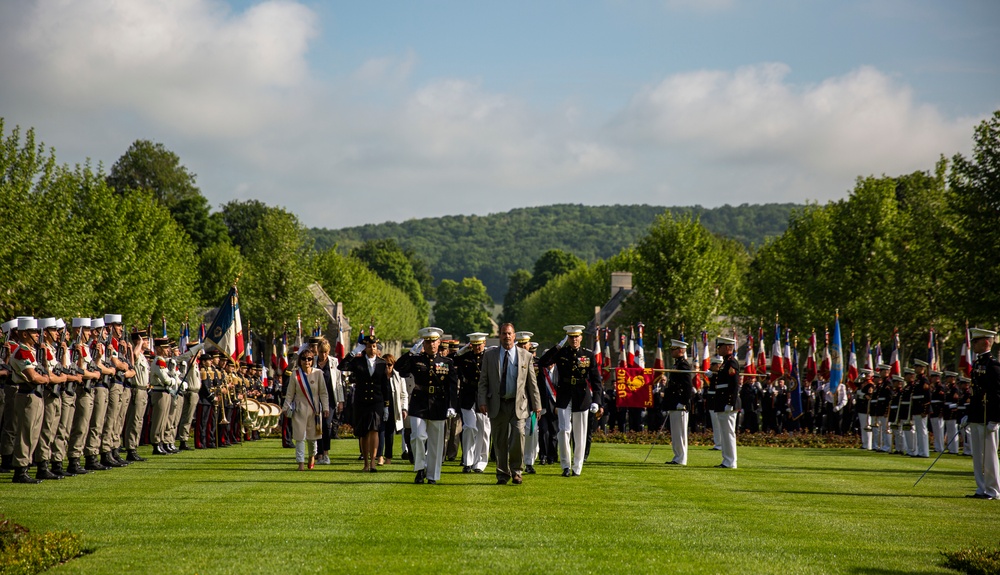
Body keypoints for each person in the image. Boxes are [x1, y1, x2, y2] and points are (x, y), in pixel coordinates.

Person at [477, 323, 540, 485]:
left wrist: (537, 404)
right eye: (504, 333)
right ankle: (502, 474)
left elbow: (532, 383)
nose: (507, 336)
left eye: (509, 333)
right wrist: (482, 400)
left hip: (518, 404)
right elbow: (483, 381)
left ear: (515, 336)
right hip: (497, 404)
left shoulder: (525, 356)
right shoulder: (490, 356)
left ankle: (517, 471)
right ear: (500, 336)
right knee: (500, 441)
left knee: (518, 436)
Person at [394, 327, 459, 485]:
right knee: (417, 436)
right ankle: (420, 468)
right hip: (419, 402)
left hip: (438, 403)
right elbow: (398, 368)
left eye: (434, 341)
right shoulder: (416, 360)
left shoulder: (447, 362)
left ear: (439, 342)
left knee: (436, 442)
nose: (431, 345)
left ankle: (432, 475)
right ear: (424, 343)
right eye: (428, 341)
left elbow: (452, 387)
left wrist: (452, 406)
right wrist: (410, 353)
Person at [537, 325, 603, 477]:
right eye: (571, 337)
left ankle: (577, 466)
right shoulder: (562, 352)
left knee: (580, 434)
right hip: (565, 394)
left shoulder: (588, 354)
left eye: (576, 337)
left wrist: (597, 400)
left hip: (582, 395)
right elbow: (543, 363)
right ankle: (566, 465)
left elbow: (596, 379)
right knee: (564, 430)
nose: (574, 340)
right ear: (568, 338)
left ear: (581, 338)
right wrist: (558, 346)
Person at [341, 335, 390, 472]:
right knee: (363, 433)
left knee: (374, 429)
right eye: (368, 346)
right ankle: (366, 463)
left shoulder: (381, 363)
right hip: (361, 401)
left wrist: (386, 405)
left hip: (376, 401)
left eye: (374, 346)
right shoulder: (358, 362)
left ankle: (373, 462)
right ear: (365, 348)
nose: (371, 349)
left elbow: (385, 386)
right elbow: (342, 366)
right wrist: (353, 352)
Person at [282, 348, 329, 471]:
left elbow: (323, 393)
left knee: (313, 438)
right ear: (300, 360)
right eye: (304, 359)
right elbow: (290, 394)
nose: (306, 361)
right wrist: (285, 408)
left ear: (312, 360)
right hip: (299, 408)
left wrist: (325, 407)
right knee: (300, 437)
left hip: (315, 410)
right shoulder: (295, 375)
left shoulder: (318, 373)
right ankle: (300, 463)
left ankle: (312, 456)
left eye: (309, 359)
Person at [966, 327, 999, 500]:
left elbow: (998, 395)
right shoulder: (978, 364)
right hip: (977, 415)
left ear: (986, 342)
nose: (973, 345)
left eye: (975, 342)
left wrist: (995, 418)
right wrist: (969, 413)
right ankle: (981, 488)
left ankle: (993, 490)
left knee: (989, 455)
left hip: (988, 417)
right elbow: (975, 392)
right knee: (978, 455)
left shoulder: (993, 366)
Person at [454, 332, 489, 474]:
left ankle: (480, 461)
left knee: (484, 430)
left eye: (479, 344)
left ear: (484, 344)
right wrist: (461, 351)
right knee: (469, 427)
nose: (476, 347)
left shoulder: (489, 357)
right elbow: (451, 361)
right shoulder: (465, 357)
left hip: (484, 395)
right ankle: (468, 461)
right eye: (474, 345)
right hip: (468, 394)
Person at [664, 339, 694, 465]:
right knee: (676, 433)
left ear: (681, 351)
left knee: (680, 433)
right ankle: (677, 456)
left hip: (680, 403)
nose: (672, 351)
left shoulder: (684, 365)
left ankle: (681, 458)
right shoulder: (677, 364)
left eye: (674, 349)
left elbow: (688, 386)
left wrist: (684, 401)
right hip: (674, 401)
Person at [315, 339, 344, 465]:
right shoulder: (312, 362)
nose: (323, 355)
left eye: (326, 352)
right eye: (321, 352)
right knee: (317, 427)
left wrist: (341, 400)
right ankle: (319, 454)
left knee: (326, 426)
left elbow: (338, 383)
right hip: (316, 399)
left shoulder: (334, 362)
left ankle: (326, 453)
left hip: (331, 399)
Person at [713, 336, 740, 469]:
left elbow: (734, 385)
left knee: (728, 433)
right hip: (722, 401)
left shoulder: (732, 363)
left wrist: (730, 402)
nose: (719, 349)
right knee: (724, 433)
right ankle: (726, 460)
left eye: (721, 347)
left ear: (728, 348)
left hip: (727, 402)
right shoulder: (725, 363)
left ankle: (730, 461)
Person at [380, 353, 408, 466]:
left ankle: (388, 457)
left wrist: (404, 408)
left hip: (393, 408)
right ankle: (379, 456)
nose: (387, 367)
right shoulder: (380, 376)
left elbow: (403, 394)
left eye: (389, 365)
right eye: (385, 365)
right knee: (380, 432)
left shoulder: (399, 376)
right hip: (380, 408)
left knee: (390, 434)